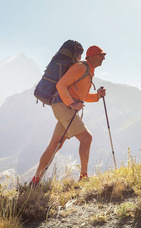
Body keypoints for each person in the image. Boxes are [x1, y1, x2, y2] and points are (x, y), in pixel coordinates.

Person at [30, 45, 107, 186]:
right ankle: (84, 178)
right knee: (87, 138)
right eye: (101, 55)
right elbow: (61, 85)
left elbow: (82, 95)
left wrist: (97, 96)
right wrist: (71, 104)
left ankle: (35, 180)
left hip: (62, 107)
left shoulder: (89, 72)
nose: (104, 57)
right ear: (92, 56)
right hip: (64, 107)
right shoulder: (81, 67)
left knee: (55, 145)